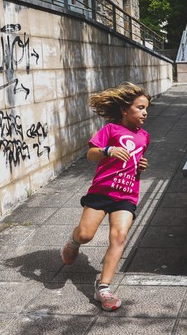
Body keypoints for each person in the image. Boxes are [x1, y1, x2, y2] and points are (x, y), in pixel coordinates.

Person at [61, 82, 150, 312]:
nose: (145, 113)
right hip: (102, 191)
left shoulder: (144, 137)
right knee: (85, 234)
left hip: (127, 195)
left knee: (119, 236)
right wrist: (107, 150)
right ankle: (72, 242)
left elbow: (133, 162)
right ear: (124, 110)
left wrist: (140, 165)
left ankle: (104, 288)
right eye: (140, 108)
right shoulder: (110, 130)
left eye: (146, 109)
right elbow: (91, 154)